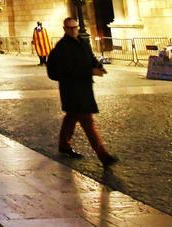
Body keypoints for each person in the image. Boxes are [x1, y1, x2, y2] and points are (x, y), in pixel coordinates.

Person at [46, 17, 118, 165]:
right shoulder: (62, 47)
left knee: (71, 117)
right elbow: (69, 69)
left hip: (84, 88)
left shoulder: (83, 42)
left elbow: (89, 57)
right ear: (65, 29)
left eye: (75, 27)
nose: (73, 30)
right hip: (72, 89)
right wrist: (90, 71)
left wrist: (98, 65)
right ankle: (103, 155)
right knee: (87, 121)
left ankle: (64, 145)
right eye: (70, 28)